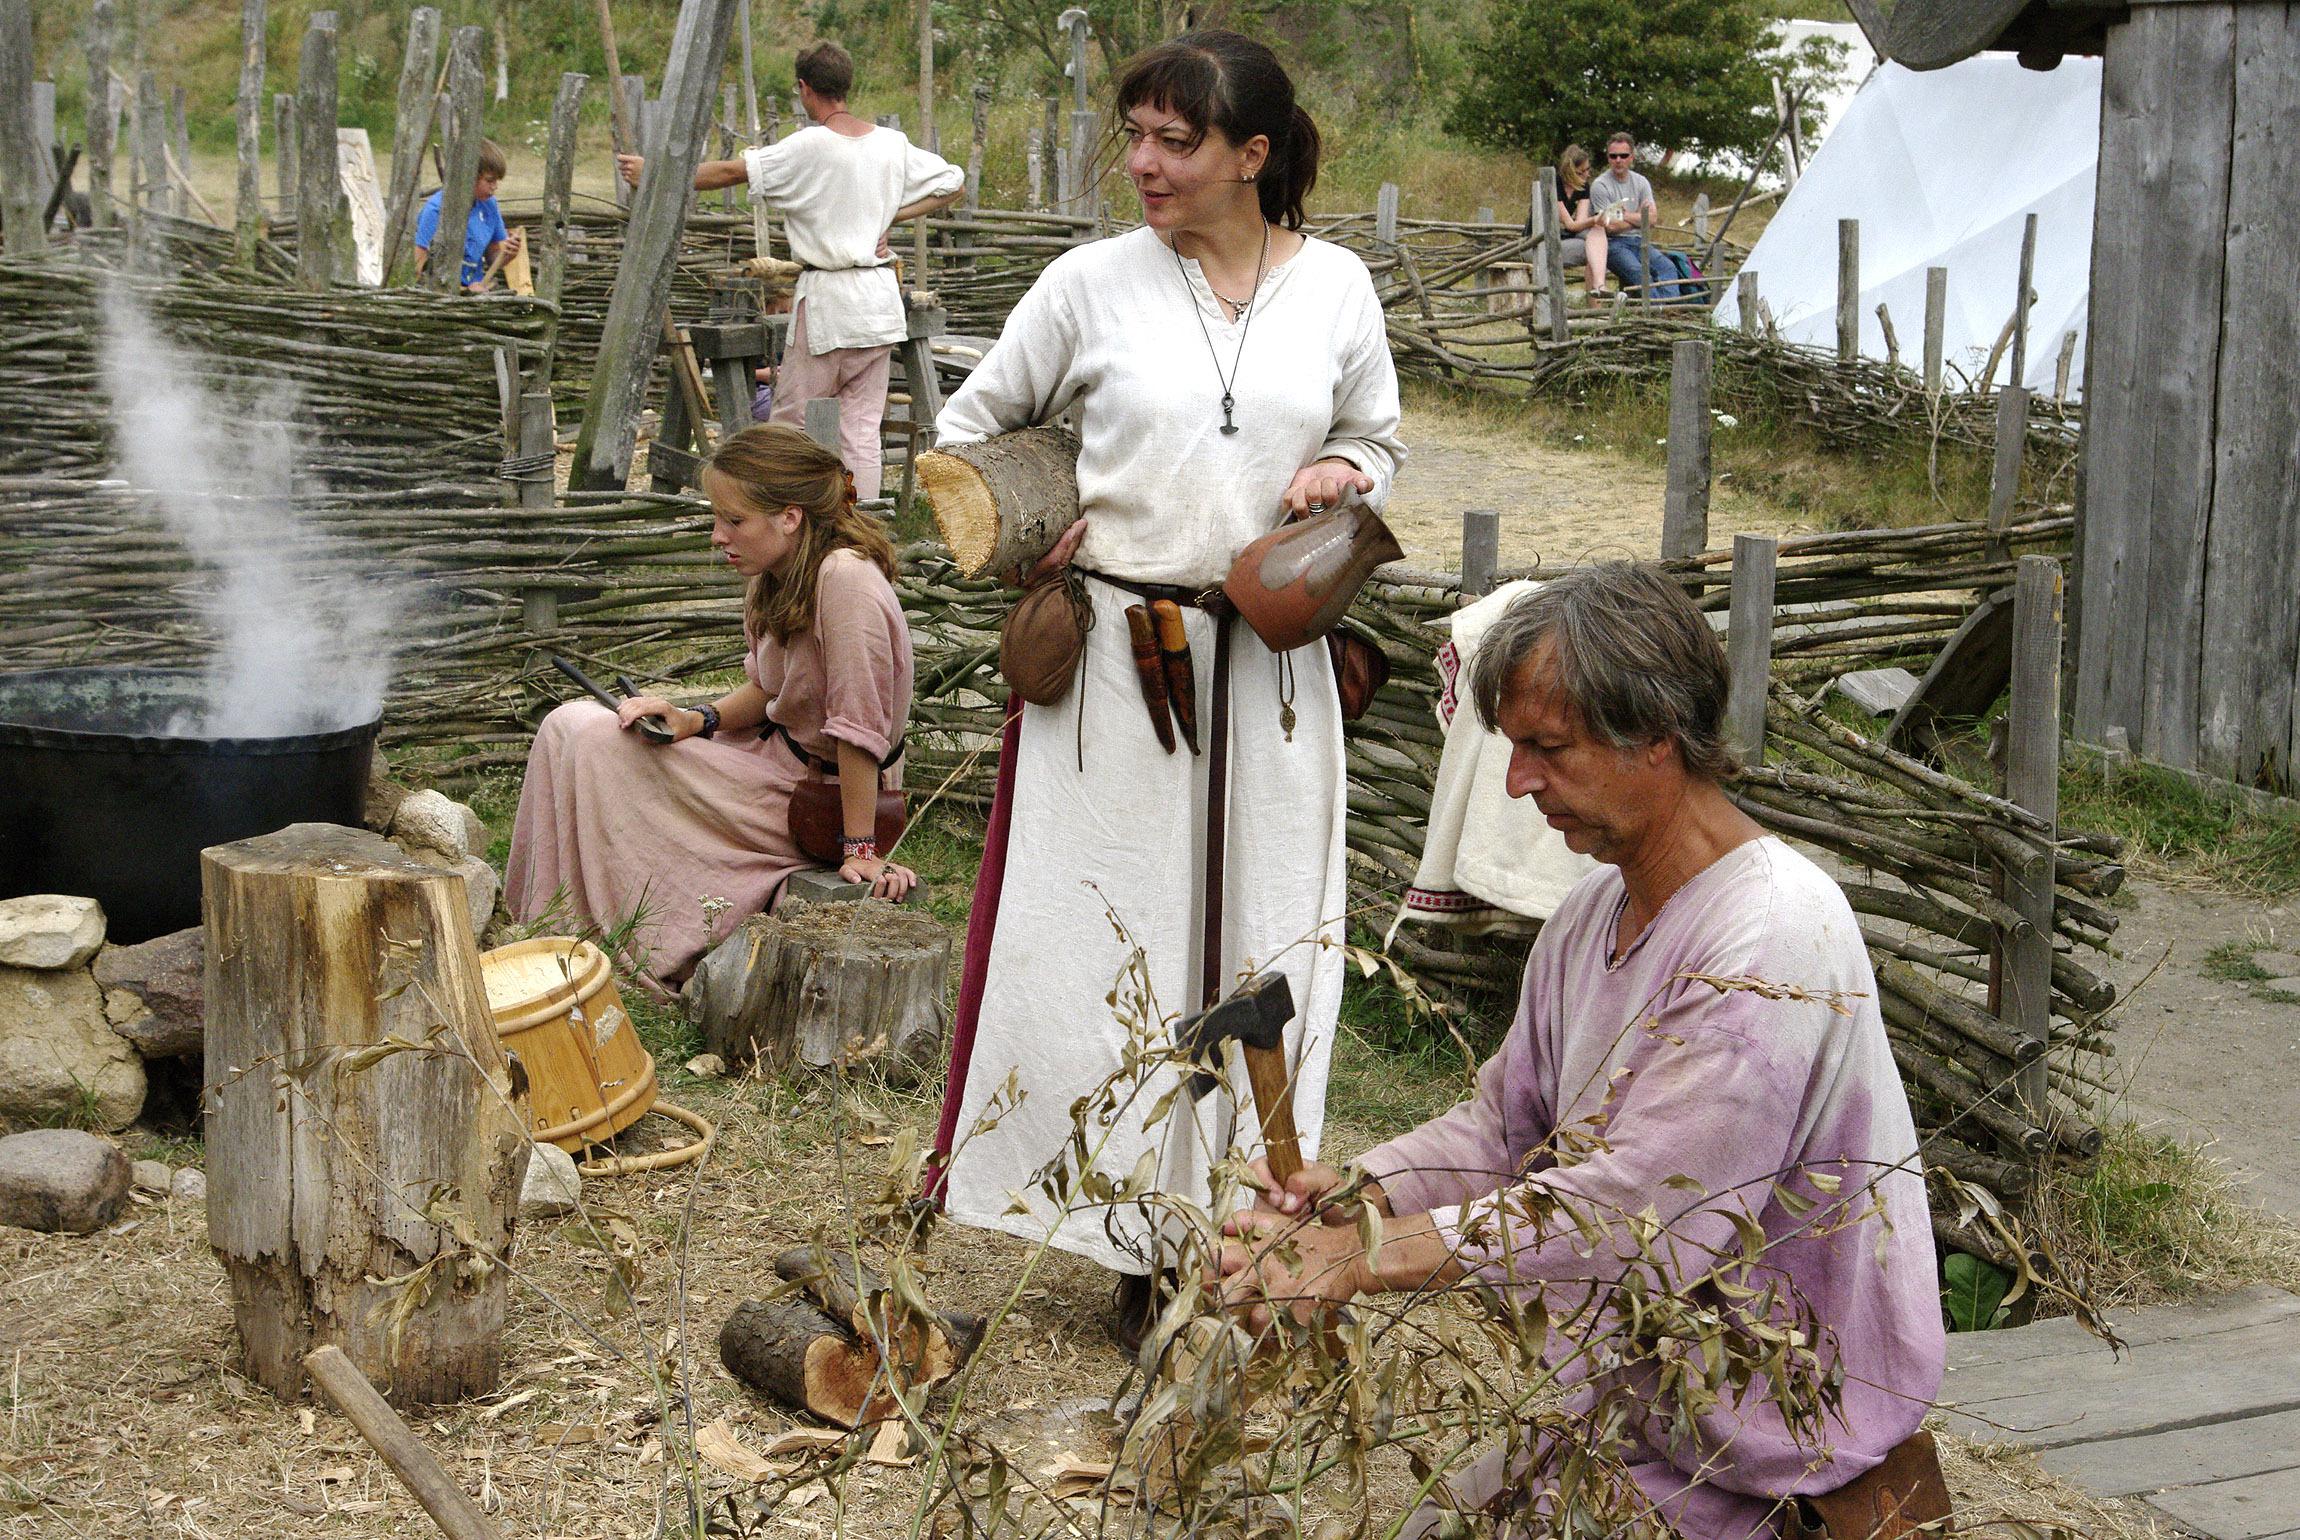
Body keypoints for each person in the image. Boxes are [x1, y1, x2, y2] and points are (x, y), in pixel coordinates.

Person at [1214, 563, 1945, 1540]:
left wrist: (1359, 1258)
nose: (1516, 782)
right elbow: (1501, 1126)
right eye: (1514, 748)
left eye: (1544, 749)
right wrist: (1356, 1201)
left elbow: (1632, 1214)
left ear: (1655, 735)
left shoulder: (1771, 935)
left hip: (1777, 1458)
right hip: (1643, 1412)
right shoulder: (1589, 915)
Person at [925, 30, 1407, 1347]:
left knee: (1267, 938)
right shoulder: (1089, 283)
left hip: (1277, 673)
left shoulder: (1340, 289)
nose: (1141, 162)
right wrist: (1043, 520)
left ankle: (1248, 1235)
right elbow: (972, 436)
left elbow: (1377, 431)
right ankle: (1133, 1243)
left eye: (1174, 140)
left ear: (1252, 155)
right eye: (1132, 133)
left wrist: (1345, 474)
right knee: (1110, 940)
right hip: (1125, 669)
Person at [504, 424, 917, 989]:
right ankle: (545, 928)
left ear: (790, 517)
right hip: (772, 766)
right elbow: (768, 690)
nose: (718, 535)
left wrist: (862, 848)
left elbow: (858, 733)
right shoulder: (777, 574)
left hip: (818, 799)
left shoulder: (846, 583)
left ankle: (599, 941)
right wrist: (696, 720)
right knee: (563, 726)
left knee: (594, 741)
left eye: (735, 520)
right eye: (717, 518)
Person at [618, 42, 963, 500]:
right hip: (878, 304)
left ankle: (775, 516)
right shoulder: (891, 145)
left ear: (804, 88)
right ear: (846, 85)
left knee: (790, 422)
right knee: (860, 429)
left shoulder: (809, 146)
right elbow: (951, 182)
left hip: (831, 301)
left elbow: (726, 173)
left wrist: (655, 173)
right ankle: (859, 521)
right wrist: (891, 218)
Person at [413, 138, 523, 293]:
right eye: (489, 180)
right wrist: (464, 291)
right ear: (469, 175)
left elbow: (493, 255)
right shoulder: (436, 210)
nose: (495, 186)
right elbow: (418, 265)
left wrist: (508, 254)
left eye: (497, 180)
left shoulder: (489, 206)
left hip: (476, 290)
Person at [1521, 144, 1610, 300]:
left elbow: (1580, 222)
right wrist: (1595, 219)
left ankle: (1599, 287)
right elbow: (1571, 225)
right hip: (1535, 243)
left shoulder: (1583, 187)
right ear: (1571, 172)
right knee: (1594, 251)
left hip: (1560, 238)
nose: (1587, 174)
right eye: (1582, 172)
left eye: (1588, 169)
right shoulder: (1553, 185)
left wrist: (1596, 221)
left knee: (1596, 234)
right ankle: (1592, 297)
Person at [1588, 131, 1659, 297]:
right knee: (1638, 272)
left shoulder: (1641, 182)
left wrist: (1625, 215)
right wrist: (1640, 218)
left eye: (1623, 155)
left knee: (1667, 267)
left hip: (1639, 241)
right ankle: (1658, 310)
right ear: (1608, 158)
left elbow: (1653, 219)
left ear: (1631, 157)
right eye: (1613, 156)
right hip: (1614, 243)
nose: (1618, 160)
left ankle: (1671, 307)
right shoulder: (1600, 185)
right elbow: (1609, 226)